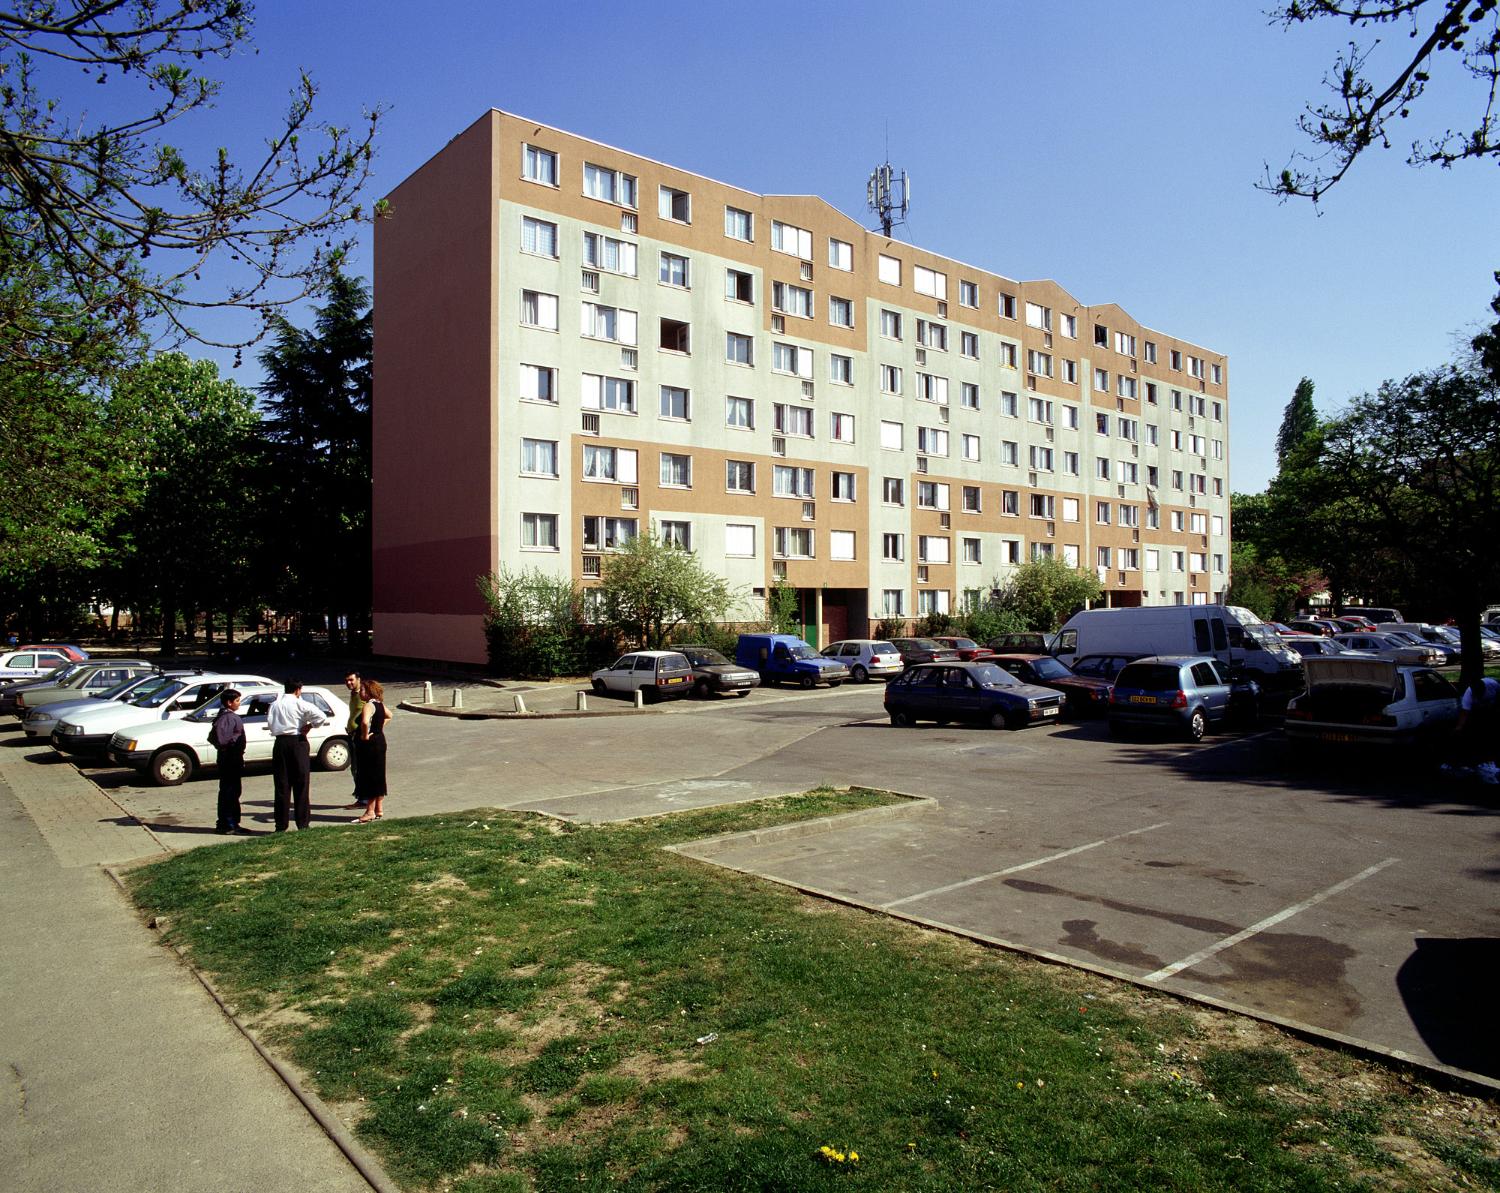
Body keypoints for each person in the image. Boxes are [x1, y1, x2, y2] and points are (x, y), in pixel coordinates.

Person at [267, 680, 327, 830]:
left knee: (282, 784)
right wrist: (310, 725)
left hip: (280, 743)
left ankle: (281, 824)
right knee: (301, 783)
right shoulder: (300, 703)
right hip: (297, 741)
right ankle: (302, 822)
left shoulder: (275, 704)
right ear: (298, 690)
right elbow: (321, 716)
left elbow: (270, 723)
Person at [352, 678, 390, 823]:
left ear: (368, 691)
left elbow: (364, 722)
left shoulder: (368, 705)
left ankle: (370, 811)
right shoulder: (380, 704)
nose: (360, 692)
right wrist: (378, 728)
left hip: (370, 745)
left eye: (362, 689)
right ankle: (379, 809)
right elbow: (389, 715)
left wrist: (364, 734)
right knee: (378, 774)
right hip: (380, 742)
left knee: (369, 775)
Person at [210, 689, 247, 834]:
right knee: (230, 791)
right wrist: (232, 747)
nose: (239, 703)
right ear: (229, 702)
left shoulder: (224, 716)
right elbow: (221, 739)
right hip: (230, 759)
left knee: (231, 790)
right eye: (237, 701)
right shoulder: (229, 718)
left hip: (230, 758)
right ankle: (228, 823)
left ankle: (229, 822)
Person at [1456, 675, 1500, 783]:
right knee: (1476, 728)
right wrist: (1459, 727)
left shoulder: (1492, 684)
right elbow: (1465, 713)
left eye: (1480, 694)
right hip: (1478, 712)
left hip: (1493, 709)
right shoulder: (1469, 694)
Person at [340, 671, 366, 810]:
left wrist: (364, 732)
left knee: (359, 768)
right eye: (346, 680)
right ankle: (362, 797)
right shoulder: (354, 694)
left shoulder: (364, 694)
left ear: (359, 679)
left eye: (351, 680)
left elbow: (375, 711)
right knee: (355, 768)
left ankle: (364, 799)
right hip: (352, 734)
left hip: (359, 735)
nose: (348, 683)